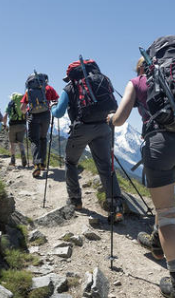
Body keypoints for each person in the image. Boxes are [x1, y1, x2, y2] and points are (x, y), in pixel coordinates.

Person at [107, 53, 175, 297]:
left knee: (166, 215)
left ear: (139, 68)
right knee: (165, 201)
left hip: (160, 147)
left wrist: (110, 118)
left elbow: (120, 120)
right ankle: (157, 243)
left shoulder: (137, 83)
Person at [51, 59, 124, 222]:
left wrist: (52, 107)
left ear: (71, 75)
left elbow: (58, 113)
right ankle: (117, 207)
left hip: (82, 128)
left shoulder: (70, 87)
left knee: (70, 162)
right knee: (105, 166)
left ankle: (75, 200)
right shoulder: (103, 81)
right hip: (104, 126)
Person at [20, 73, 59, 177]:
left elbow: (23, 108)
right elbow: (56, 101)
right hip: (46, 116)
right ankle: (42, 163)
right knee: (43, 138)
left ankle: (37, 164)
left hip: (33, 116)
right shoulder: (49, 88)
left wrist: (26, 112)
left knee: (34, 140)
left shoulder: (29, 91)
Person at [2, 92, 27, 167]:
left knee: (12, 143)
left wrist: (5, 125)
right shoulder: (23, 104)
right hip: (22, 125)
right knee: (20, 142)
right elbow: (26, 115)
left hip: (12, 125)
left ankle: (13, 160)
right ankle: (23, 154)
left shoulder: (10, 104)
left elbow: (5, 116)